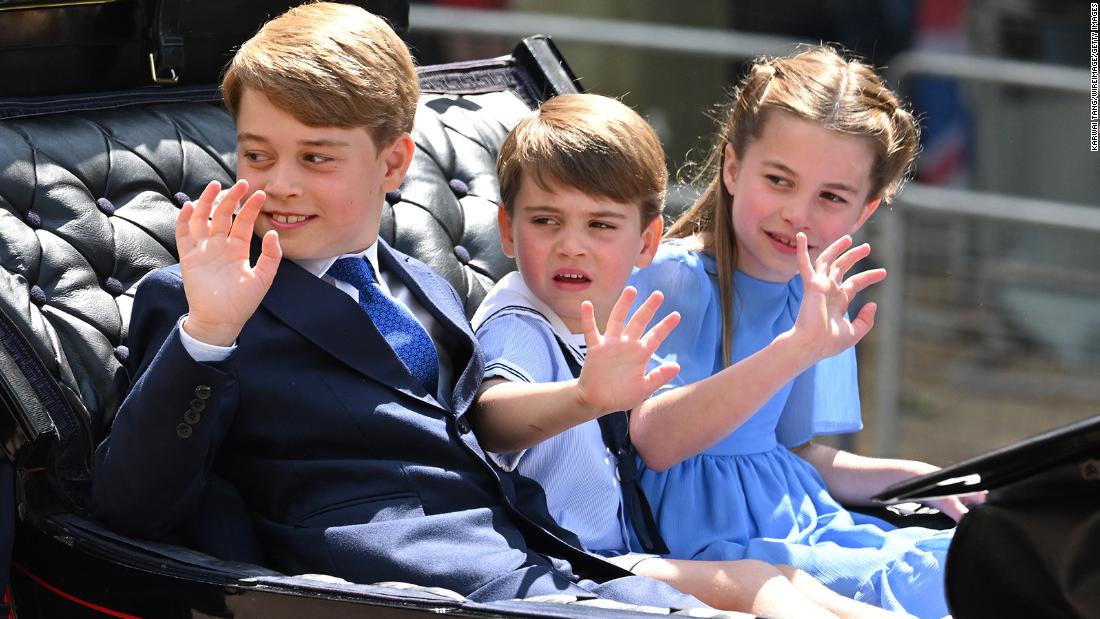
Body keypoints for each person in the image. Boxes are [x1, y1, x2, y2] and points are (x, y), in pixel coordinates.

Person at [89, 3, 705, 609]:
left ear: (393, 163)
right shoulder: (198, 301)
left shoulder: (425, 284)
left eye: (316, 157)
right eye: (257, 155)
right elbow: (131, 505)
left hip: (542, 560)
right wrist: (209, 333)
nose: (279, 182)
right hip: (398, 587)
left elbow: (472, 438)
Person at [470, 93, 901, 618]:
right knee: (755, 585)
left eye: (600, 225)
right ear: (507, 230)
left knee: (781, 581)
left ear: (644, 243)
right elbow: (490, 417)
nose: (572, 246)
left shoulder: (605, 322)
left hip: (621, 551)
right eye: (546, 221)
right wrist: (582, 396)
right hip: (569, 562)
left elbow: (794, 448)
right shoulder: (521, 316)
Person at [626, 45, 984, 619]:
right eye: (779, 180)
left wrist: (915, 477)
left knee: (978, 559)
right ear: (733, 168)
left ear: (864, 212)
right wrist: (795, 349)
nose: (799, 213)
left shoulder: (818, 292)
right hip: (722, 550)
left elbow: (796, 455)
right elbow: (655, 444)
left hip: (809, 523)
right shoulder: (668, 278)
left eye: (832, 197)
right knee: (945, 587)